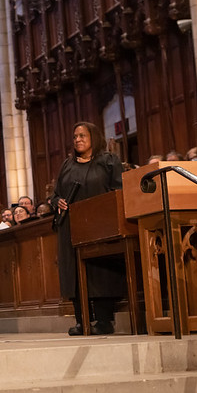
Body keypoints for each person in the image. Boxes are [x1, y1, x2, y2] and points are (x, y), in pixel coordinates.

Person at [51, 121, 125, 336]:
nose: (78, 140)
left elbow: (118, 189)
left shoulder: (108, 161)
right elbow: (55, 194)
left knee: (100, 271)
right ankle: (81, 320)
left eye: (82, 135)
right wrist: (58, 202)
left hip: (100, 224)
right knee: (74, 271)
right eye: (75, 136)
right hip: (71, 225)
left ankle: (103, 320)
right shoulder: (67, 164)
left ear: (94, 137)